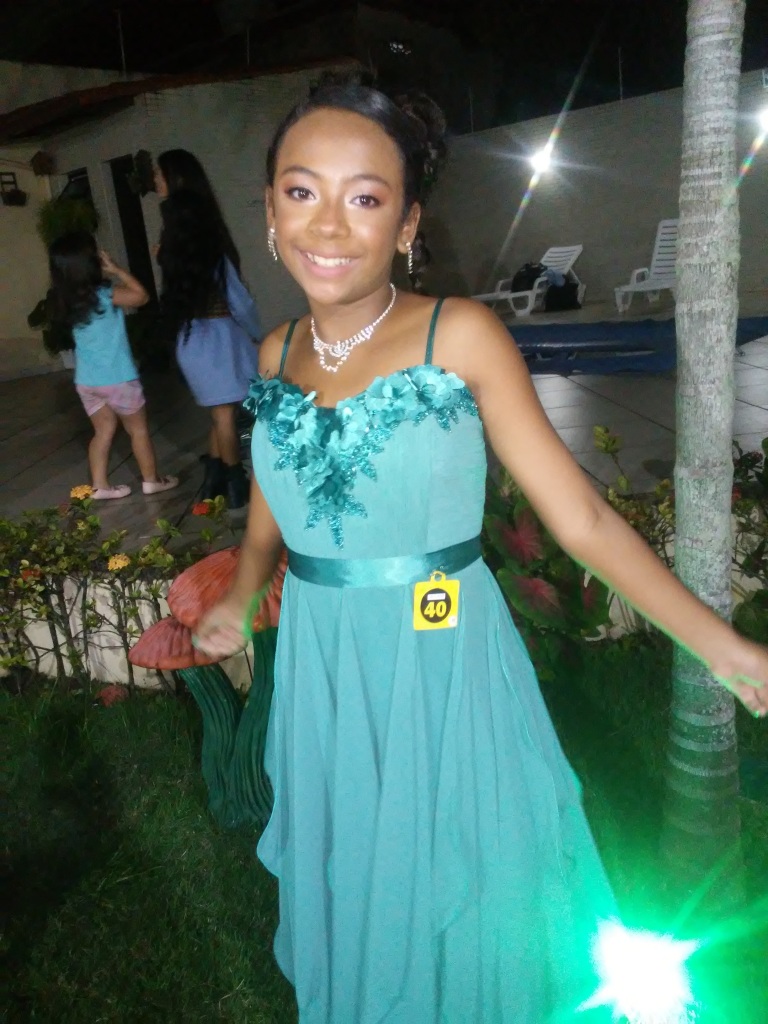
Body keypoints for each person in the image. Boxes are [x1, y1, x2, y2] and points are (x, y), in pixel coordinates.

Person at [192, 73, 768, 1023]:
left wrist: (722, 646)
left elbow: (581, 521)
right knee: (361, 873)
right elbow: (269, 518)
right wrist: (241, 594)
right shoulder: (274, 353)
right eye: (302, 191)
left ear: (407, 224)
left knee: (467, 881)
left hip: (442, 652)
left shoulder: (456, 335)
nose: (328, 225)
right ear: (268, 210)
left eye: (364, 199)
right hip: (327, 668)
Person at [48, 231, 179, 501]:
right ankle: (152, 481)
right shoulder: (105, 294)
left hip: (87, 382)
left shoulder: (66, 301)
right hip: (119, 378)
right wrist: (117, 269)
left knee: (102, 431)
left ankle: (100, 486)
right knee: (138, 430)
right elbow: (141, 297)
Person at [157, 186, 262, 509]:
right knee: (225, 417)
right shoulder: (215, 258)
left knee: (219, 415)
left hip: (190, 343)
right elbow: (240, 303)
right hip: (221, 343)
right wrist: (257, 333)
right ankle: (236, 484)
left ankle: (212, 482)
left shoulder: (171, 261)